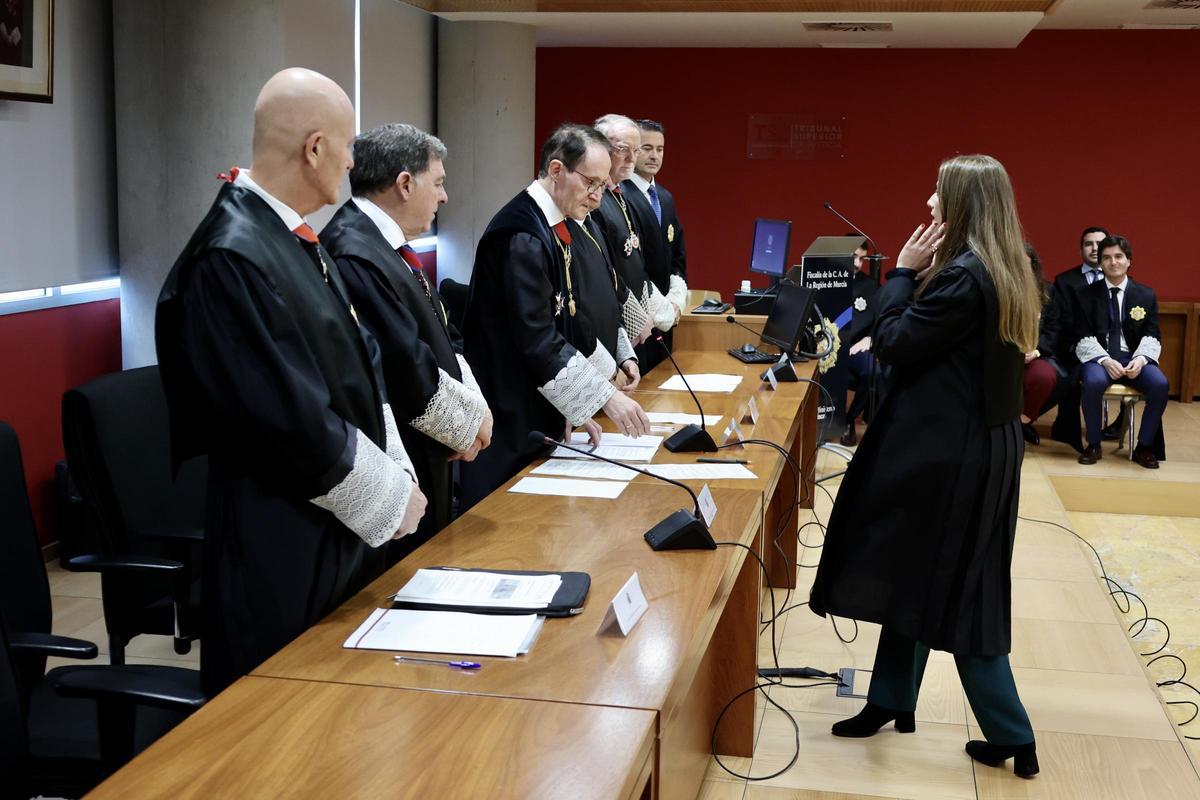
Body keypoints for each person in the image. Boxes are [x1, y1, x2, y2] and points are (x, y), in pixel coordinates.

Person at [155, 68, 427, 695]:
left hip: (330, 520)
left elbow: (361, 361)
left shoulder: (292, 234)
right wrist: (389, 497)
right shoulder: (231, 253)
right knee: (281, 711)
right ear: (314, 148)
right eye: (350, 144)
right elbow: (285, 418)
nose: (355, 161)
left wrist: (395, 469)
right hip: (278, 533)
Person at [810, 155, 1042, 779]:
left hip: (952, 457)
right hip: (970, 448)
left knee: (962, 595)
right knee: (912, 572)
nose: (929, 203)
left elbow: (894, 343)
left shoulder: (965, 277)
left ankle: (1013, 734)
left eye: (939, 194)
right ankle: (889, 699)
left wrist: (901, 275)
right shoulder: (1004, 262)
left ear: (962, 204)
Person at [322, 123, 493, 562]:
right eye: (437, 183)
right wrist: (466, 426)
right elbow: (403, 366)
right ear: (404, 183)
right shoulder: (355, 251)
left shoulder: (386, 244)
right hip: (399, 459)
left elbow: (444, 333)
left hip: (430, 448)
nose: (444, 196)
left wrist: (474, 415)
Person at [459, 123, 651, 508]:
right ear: (557, 170)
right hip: (508, 410)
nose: (598, 198)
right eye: (591, 184)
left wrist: (573, 404)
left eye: (602, 186)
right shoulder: (522, 234)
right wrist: (604, 396)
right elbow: (537, 338)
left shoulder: (553, 224)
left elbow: (570, 316)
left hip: (538, 402)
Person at [1073, 235, 1167, 469]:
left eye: (1118, 257)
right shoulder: (1085, 295)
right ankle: (1093, 444)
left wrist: (1141, 359)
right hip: (1100, 357)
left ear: (1129, 261)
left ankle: (1144, 446)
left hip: (1133, 358)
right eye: (1106, 258)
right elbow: (1080, 334)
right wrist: (1104, 360)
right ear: (1101, 263)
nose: (1113, 262)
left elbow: (1153, 333)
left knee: (1160, 384)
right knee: (1093, 382)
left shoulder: (1146, 295)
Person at [589, 114, 656, 365]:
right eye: (622, 150)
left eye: (636, 150)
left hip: (638, 325)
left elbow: (634, 259)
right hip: (614, 323)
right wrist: (634, 317)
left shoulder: (620, 193)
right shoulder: (595, 201)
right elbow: (605, 269)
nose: (631, 159)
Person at [625, 118, 688, 367]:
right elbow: (630, 266)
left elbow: (678, 255)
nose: (654, 156)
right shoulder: (621, 196)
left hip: (667, 320)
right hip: (638, 319)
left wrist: (676, 301)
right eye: (647, 148)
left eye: (660, 149)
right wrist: (661, 311)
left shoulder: (665, 197)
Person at [1048, 226, 1112, 449]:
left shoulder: (1119, 279)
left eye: (1099, 243)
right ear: (1081, 248)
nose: (1094, 248)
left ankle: (1120, 425)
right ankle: (1067, 428)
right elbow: (1061, 320)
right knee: (1071, 373)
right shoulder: (1065, 281)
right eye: (1088, 244)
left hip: (1112, 350)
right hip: (1074, 347)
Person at [1019, 243, 1062, 445]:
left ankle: (1023, 422)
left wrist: (1035, 351)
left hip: (1036, 352)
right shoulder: (996, 288)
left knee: (1044, 376)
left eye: (1025, 264)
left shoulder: (1048, 291)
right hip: (1003, 354)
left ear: (1034, 266)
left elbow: (1053, 330)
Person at [841, 238, 879, 446]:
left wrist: (870, 338)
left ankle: (850, 418)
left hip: (858, 346)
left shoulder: (870, 285)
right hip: (831, 345)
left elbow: (882, 318)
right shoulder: (826, 280)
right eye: (854, 257)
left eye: (862, 259)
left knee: (873, 371)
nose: (857, 264)